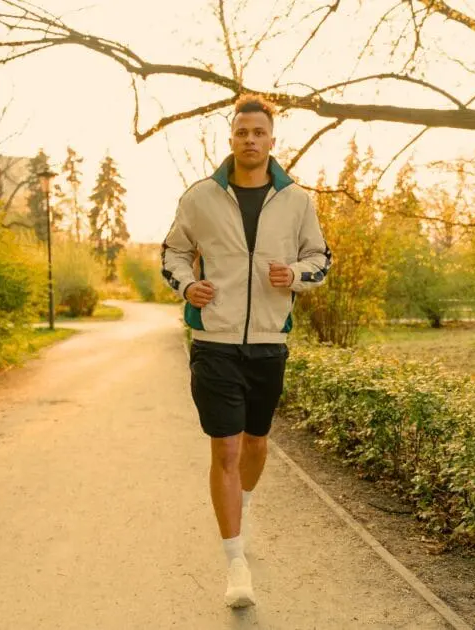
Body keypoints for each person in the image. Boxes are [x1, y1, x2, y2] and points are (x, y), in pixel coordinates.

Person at [161, 94, 331, 608]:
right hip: (214, 342)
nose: (250, 140)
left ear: (272, 141)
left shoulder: (298, 200)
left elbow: (319, 258)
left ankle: (243, 509)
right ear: (230, 139)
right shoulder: (200, 198)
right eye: (242, 133)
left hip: (268, 342)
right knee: (226, 448)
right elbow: (171, 251)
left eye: (259, 132)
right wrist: (188, 286)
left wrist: (296, 277)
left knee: (257, 443)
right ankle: (235, 563)